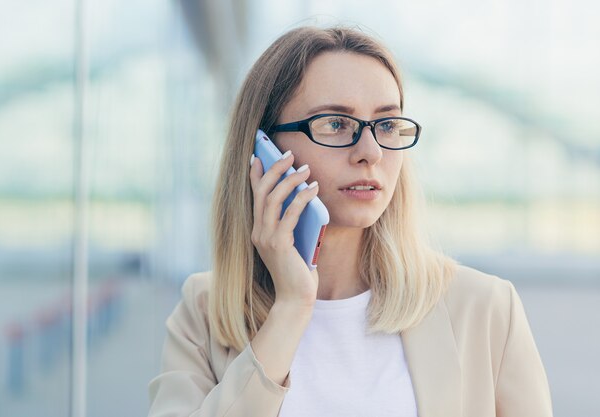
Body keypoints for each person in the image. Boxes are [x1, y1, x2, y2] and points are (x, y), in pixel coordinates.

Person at [147, 25, 553, 417]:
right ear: (264, 151)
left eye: (387, 124)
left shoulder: (484, 309)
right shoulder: (203, 312)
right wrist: (290, 308)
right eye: (337, 124)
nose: (370, 152)